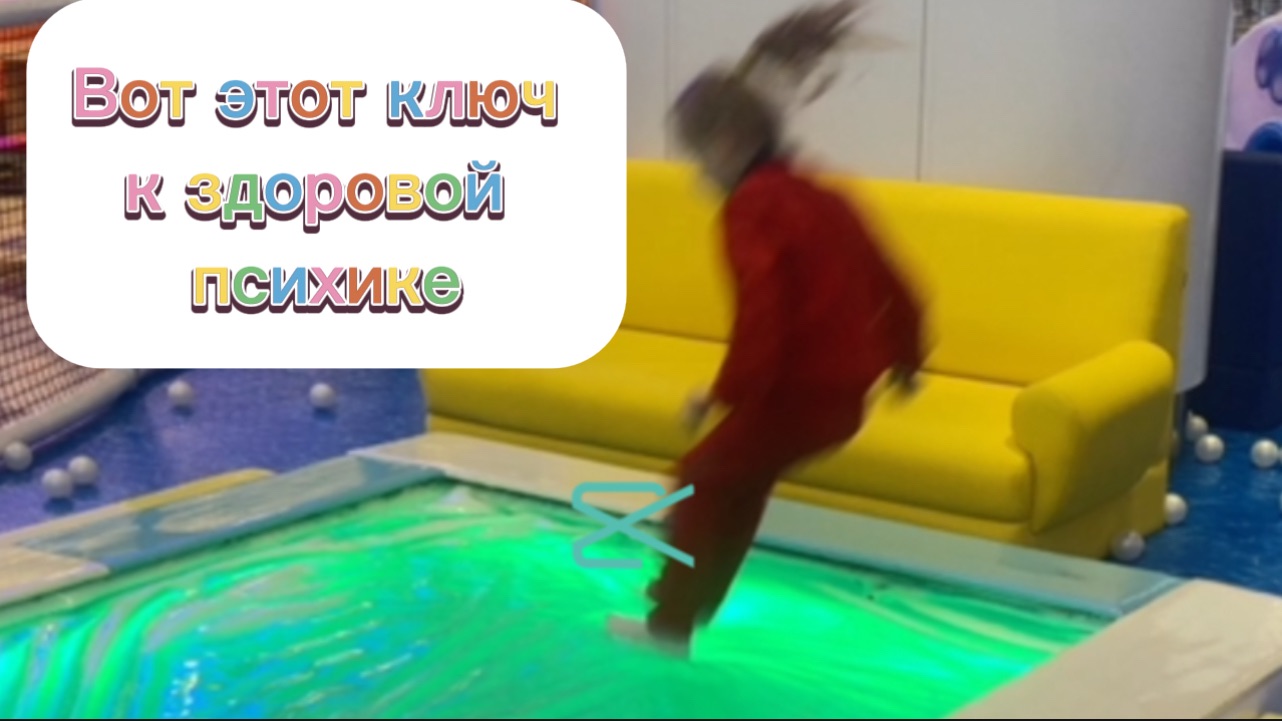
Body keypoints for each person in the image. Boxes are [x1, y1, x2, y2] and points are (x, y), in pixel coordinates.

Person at [608, 0, 926, 658]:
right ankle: (684, 620)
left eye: (699, 159)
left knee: (701, 478)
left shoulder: (752, 206)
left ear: (726, 145)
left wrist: (723, 392)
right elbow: (893, 279)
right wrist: (907, 357)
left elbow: (764, 312)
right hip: (842, 403)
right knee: (738, 488)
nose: (700, 175)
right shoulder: (824, 194)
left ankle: (670, 624)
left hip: (791, 397)